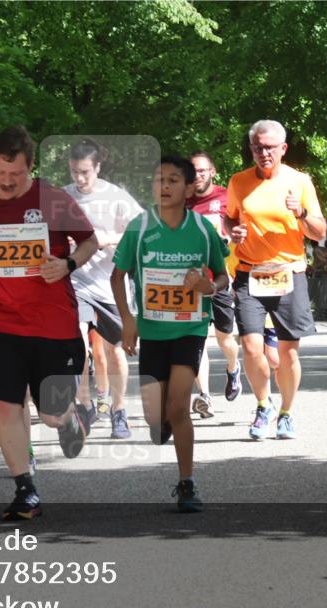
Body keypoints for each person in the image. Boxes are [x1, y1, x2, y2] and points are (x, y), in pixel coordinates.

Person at [0, 126, 98, 520]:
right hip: (5, 323)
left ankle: (68, 420)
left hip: (54, 324)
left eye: (15, 174)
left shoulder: (52, 199)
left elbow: (89, 241)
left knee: (50, 414)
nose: (6, 182)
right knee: (7, 405)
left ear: (31, 167)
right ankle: (25, 489)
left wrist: (67, 263)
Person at [112, 156, 228, 512]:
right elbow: (118, 275)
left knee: (179, 405)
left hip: (190, 327)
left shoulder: (202, 229)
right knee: (155, 415)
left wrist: (209, 286)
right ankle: (161, 422)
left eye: (173, 180)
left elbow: (223, 275)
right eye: (158, 179)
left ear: (189, 187)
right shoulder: (140, 227)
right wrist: (128, 319)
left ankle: (187, 482)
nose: (164, 186)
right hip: (152, 330)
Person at [225, 120, 326, 440]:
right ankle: (262, 405)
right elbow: (229, 218)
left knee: (288, 352)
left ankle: (286, 413)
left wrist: (301, 213)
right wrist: (233, 232)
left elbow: (319, 232)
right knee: (251, 346)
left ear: (283, 148)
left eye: (269, 147)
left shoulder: (300, 182)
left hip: (288, 272)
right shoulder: (238, 181)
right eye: (257, 147)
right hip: (250, 272)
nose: (263, 153)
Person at [63, 138, 141, 439]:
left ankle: (119, 410)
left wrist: (108, 238)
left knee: (115, 350)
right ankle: (85, 404)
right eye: (74, 172)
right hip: (76, 281)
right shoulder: (64, 198)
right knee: (77, 340)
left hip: (109, 283)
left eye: (84, 172)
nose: (79, 178)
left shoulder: (116, 197)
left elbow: (140, 231)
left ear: (97, 167)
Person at [187, 150, 242, 415]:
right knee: (196, 340)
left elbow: (240, 227)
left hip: (220, 278)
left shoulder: (226, 197)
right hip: (191, 281)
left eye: (201, 170)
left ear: (212, 172)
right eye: (192, 171)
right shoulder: (183, 201)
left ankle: (233, 367)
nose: (197, 175)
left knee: (224, 338)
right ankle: (205, 395)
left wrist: (229, 238)